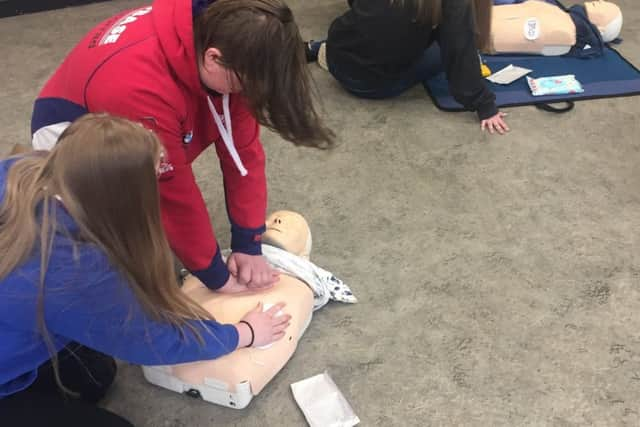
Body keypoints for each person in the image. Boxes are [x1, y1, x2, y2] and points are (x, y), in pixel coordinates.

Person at [0, 114, 291, 426]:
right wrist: (244, 333)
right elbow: (151, 340)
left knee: (96, 376)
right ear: (124, 197)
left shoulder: (19, 170)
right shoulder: (75, 271)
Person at [31, 0, 333, 295]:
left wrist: (248, 243)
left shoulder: (235, 48)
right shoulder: (138, 88)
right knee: (120, 265)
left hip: (153, 94)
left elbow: (244, 154)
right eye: (249, 85)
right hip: (73, 133)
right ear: (213, 59)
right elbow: (172, 191)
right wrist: (215, 276)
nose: (251, 95)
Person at [306, 0, 510, 134]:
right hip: (371, 84)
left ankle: (317, 48)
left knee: (382, 24)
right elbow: (458, 50)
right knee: (447, 46)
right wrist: (484, 105)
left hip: (337, 52)